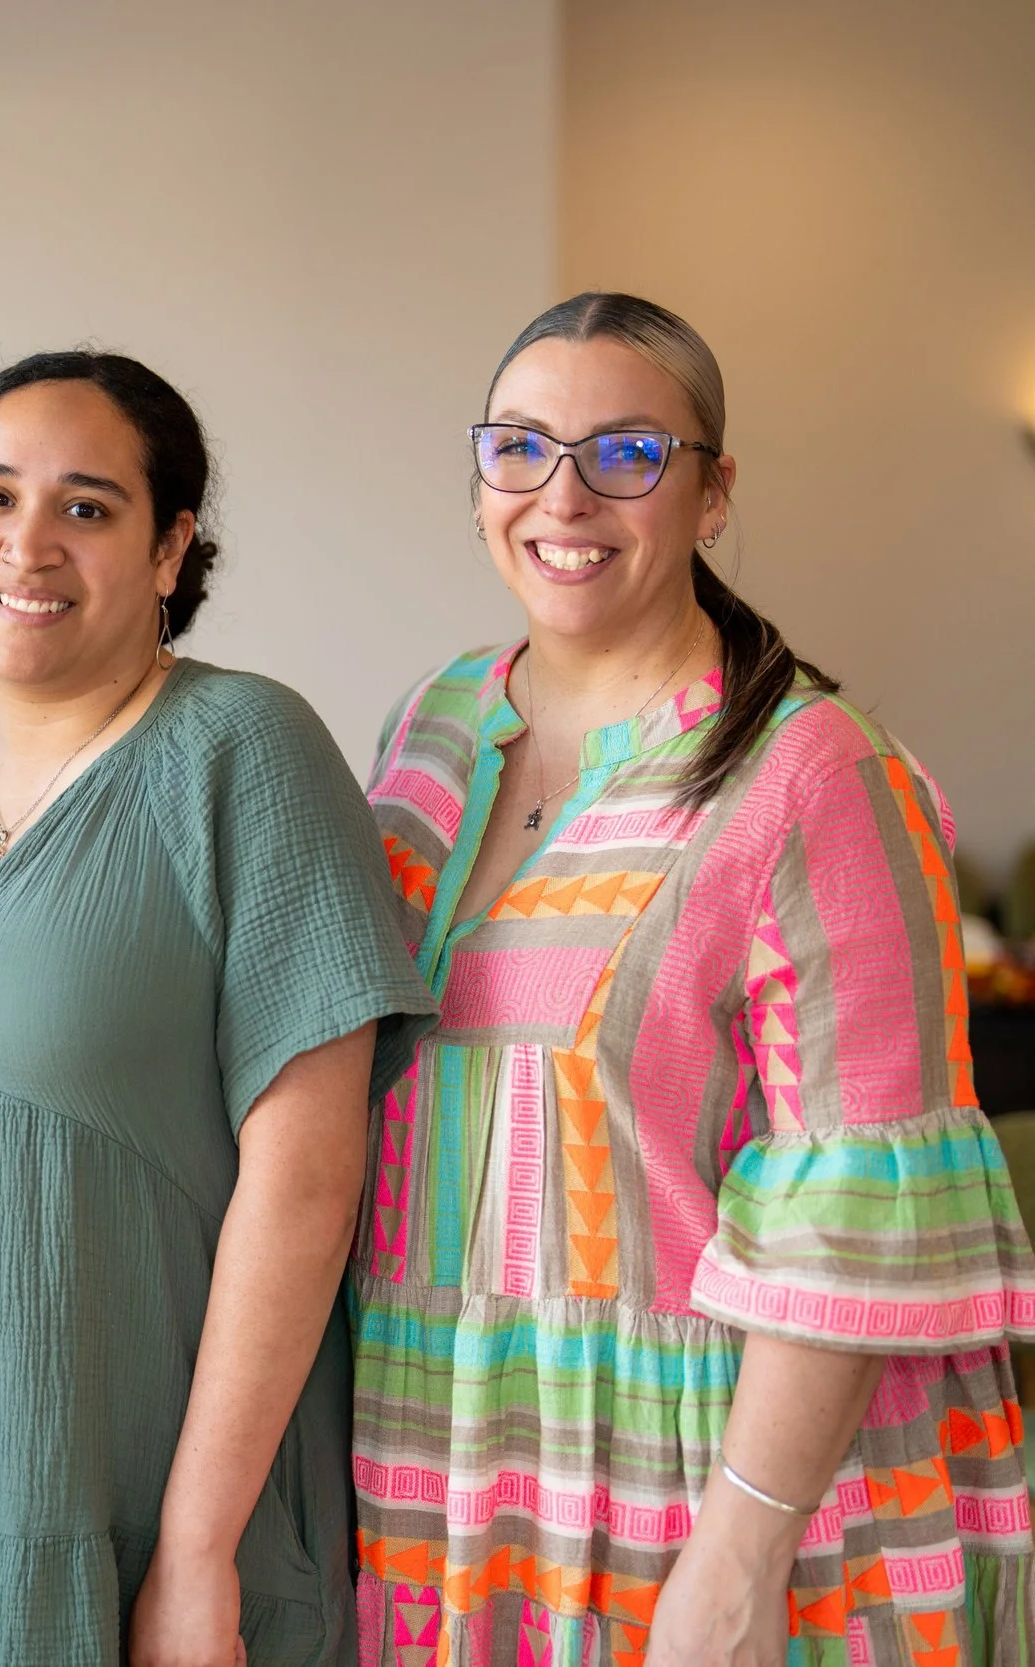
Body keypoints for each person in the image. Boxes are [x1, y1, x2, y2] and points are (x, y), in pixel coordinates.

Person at [0, 350, 437, 1666]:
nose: (27, 542)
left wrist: (198, 1549)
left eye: (88, 505)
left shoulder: (245, 751)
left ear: (171, 547)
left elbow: (307, 1181)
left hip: (126, 1504)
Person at [355, 292, 1035, 1666]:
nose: (565, 493)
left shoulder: (817, 773)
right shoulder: (434, 721)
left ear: (713, 491)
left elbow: (854, 1220)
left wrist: (740, 1554)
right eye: (522, 446)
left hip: (694, 1474)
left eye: (629, 453)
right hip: (439, 1450)